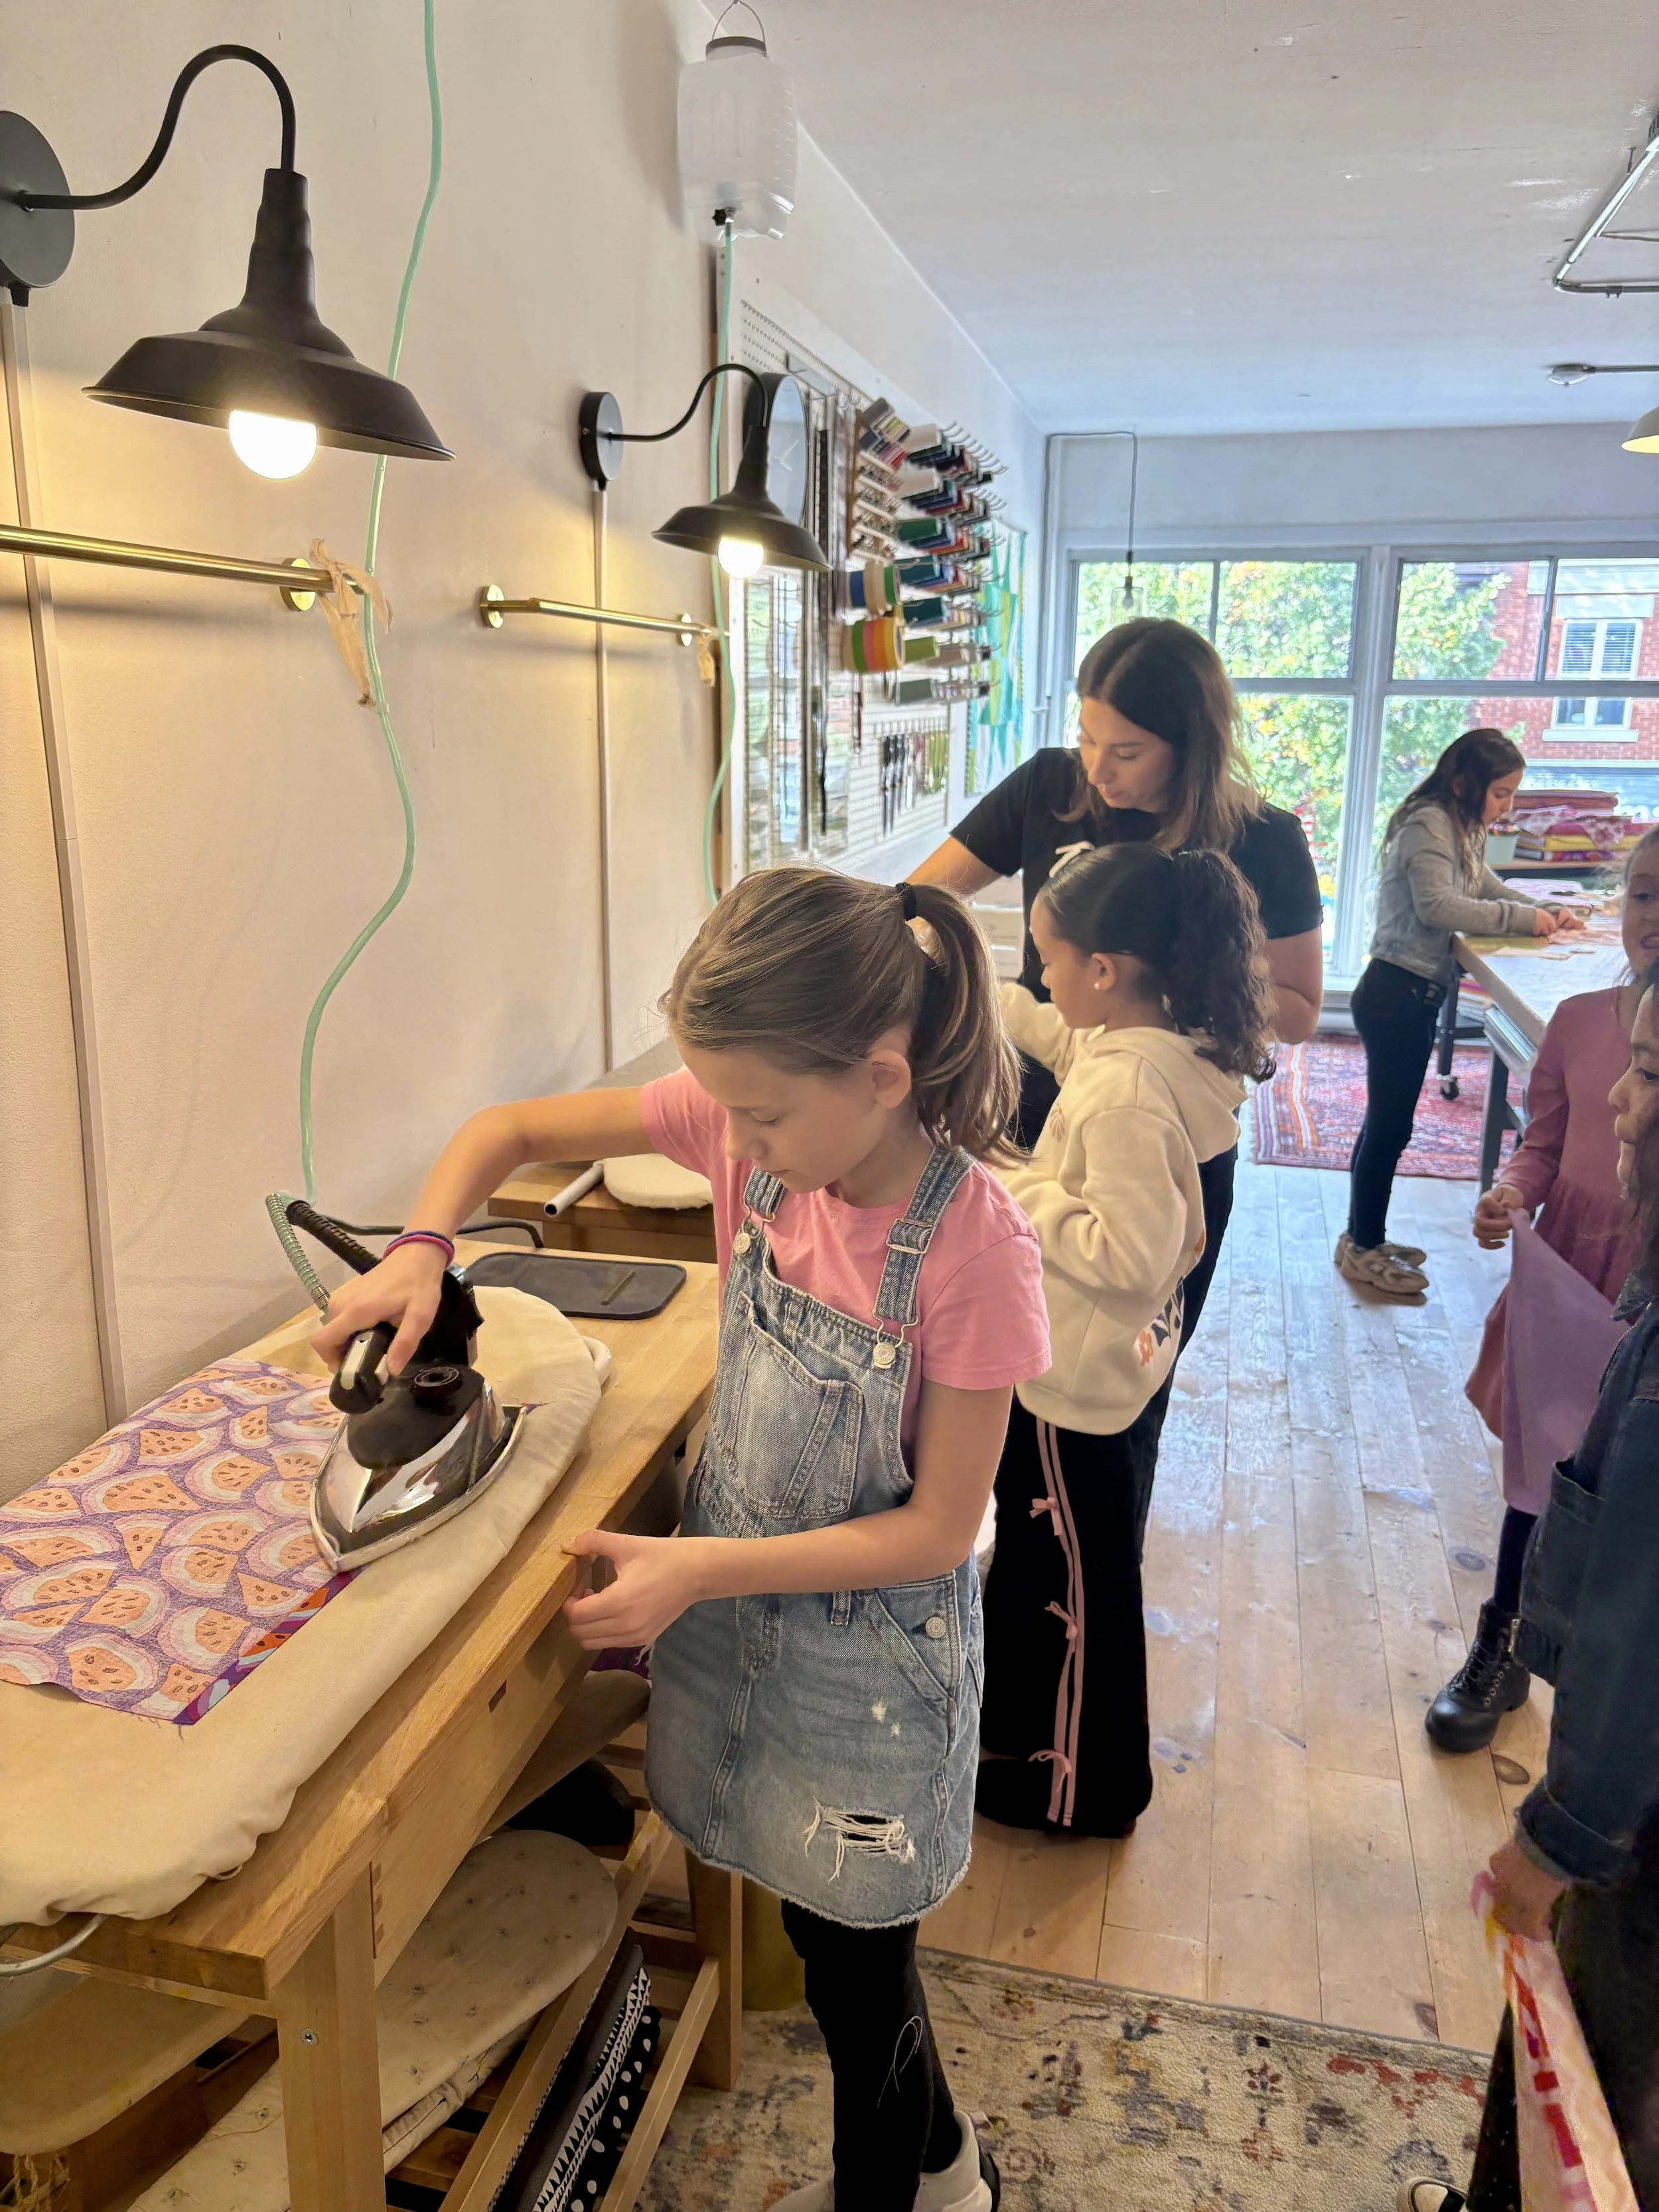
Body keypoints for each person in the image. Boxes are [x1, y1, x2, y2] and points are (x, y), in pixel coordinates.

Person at [314, 866, 1051, 2212]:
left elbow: (937, 1527)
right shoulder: (743, 1136)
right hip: (742, 1610)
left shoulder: (972, 1248)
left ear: (882, 1078)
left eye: (763, 1112)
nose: (736, 1142)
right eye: (724, 1108)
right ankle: (949, 2171)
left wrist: (695, 1568)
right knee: (825, 1940)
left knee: (855, 1960)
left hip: (874, 1661)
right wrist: (422, 1244)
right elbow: (499, 1128)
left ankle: (908, 2185)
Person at [912, 617, 1321, 1469]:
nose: (1097, 771)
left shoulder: (1264, 839)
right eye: (1086, 736)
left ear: (1192, 745)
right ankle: (1015, 1559)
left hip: (1158, 1138)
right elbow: (920, 899)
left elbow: (1298, 1007)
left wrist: (1155, 1006)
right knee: (993, 1377)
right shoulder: (1051, 788)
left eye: (1127, 751)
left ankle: (1083, 1574)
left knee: (1105, 1410)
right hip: (1029, 1116)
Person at [1398, 975, 1659, 2212]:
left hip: (1629, 1830)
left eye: (1651, 1075)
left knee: (1588, 2057)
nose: (1623, 1092)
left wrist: (1551, 1842)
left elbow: (1636, 1640)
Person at [976, 842, 1275, 1836]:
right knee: (1059, 1562)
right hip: (1112, 1368)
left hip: (1079, 1385)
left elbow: (1128, 1249)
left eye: (1047, 962)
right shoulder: (1161, 1047)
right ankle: (1029, 1736)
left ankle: (1080, 1789)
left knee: (1078, 1585)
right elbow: (1074, 1050)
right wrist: (990, 996)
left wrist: (1011, 1184)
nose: (1043, 977)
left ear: (1104, 971)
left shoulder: (1125, 1093)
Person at [1425, 827, 1659, 1753]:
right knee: (1542, 1475)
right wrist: (1512, 1190)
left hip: (1649, 1287)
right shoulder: (1578, 1023)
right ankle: (1502, 1640)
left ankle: (1604, 1685)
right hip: (1573, 1276)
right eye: (1642, 894)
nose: (1655, 918)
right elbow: (1545, 1143)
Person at [1339, 729, 1585, 1300]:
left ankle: (1360, 1236)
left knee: (1384, 1125)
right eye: (1501, 794)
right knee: (1390, 1129)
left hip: (1409, 995)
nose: (1508, 807)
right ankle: (1365, 1247)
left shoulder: (1456, 826)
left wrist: (1544, 908)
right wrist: (1522, 921)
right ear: (1463, 784)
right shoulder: (1429, 821)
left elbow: (1482, 885)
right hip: (1396, 995)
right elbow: (1439, 905)